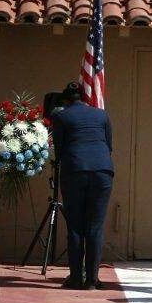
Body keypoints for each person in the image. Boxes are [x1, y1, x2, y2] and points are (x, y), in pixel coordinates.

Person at [51, 81, 113, 289]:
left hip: (75, 170)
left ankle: (76, 277)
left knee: (76, 226)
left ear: (66, 99)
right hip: (102, 170)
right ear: (84, 98)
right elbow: (108, 145)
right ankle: (92, 280)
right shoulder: (101, 115)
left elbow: (59, 150)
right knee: (95, 227)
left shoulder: (60, 116)